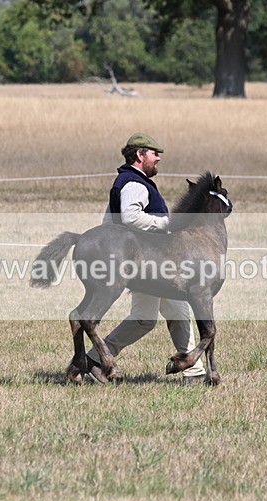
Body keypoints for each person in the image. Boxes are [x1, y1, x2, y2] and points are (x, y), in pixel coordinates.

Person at [85, 133, 206, 383]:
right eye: (154, 153)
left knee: (147, 318)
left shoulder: (129, 181)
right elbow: (129, 217)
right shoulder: (134, 183)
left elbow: (110, 221)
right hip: (147, 263)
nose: (158, 158)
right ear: (140, 155)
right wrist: (166, 224)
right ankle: (193, 372)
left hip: (145, 261)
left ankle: (93, 360)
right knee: (171, 313)